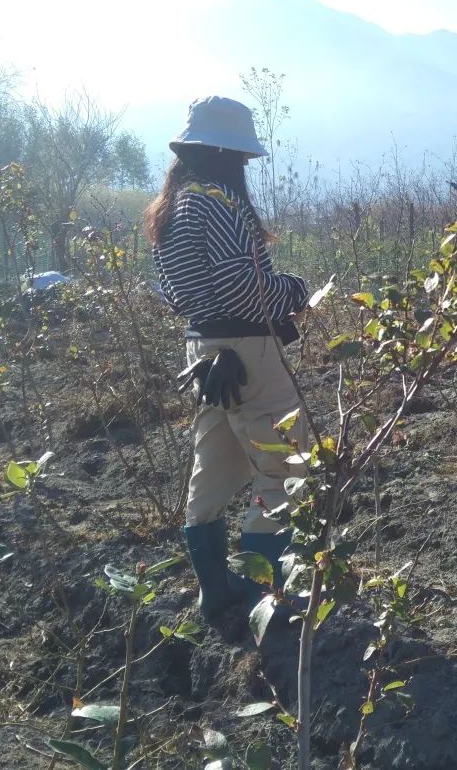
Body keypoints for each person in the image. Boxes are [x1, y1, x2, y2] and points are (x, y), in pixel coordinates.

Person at [145, 96, 308, 617]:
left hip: (203, 350)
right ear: (224, 153)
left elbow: (175, 294)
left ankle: (216, 592)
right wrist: (295, 290)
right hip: (248, 349)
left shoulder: (169, 209)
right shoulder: (218, 205)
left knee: (213, 463)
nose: (243, 167)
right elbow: (244, 290)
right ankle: (269, 595)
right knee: (283, 464)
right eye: (240, 158)